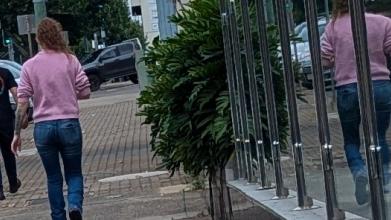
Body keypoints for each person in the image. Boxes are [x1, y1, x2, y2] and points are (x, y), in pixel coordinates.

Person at [11, 18, 90, 220]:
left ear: (38, 39)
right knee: (74, 173)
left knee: (53, 177)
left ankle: (58, 216)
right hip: (69, 123)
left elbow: (22, 104)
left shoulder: (29, 66)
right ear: (57, 35)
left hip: (43, 128)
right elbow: (86, 91)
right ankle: (74, 205)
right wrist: (68, 92)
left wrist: (16, 134)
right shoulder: (70, 60)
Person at [321, 0, 391, 205]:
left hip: (347, 88)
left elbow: (325, 59)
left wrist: (340, 58)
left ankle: (359, 170)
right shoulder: (382, 22)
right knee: (378, 135)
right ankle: (382, 178)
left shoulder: (333, 26)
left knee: (351, 139)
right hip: (379, 85)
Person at [0, 67, 22, 200]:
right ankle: (13, 183)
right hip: (5, 120)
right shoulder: (4, 72)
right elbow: (16, 94)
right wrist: (22, 113)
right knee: (9, 153)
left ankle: (0, 191)